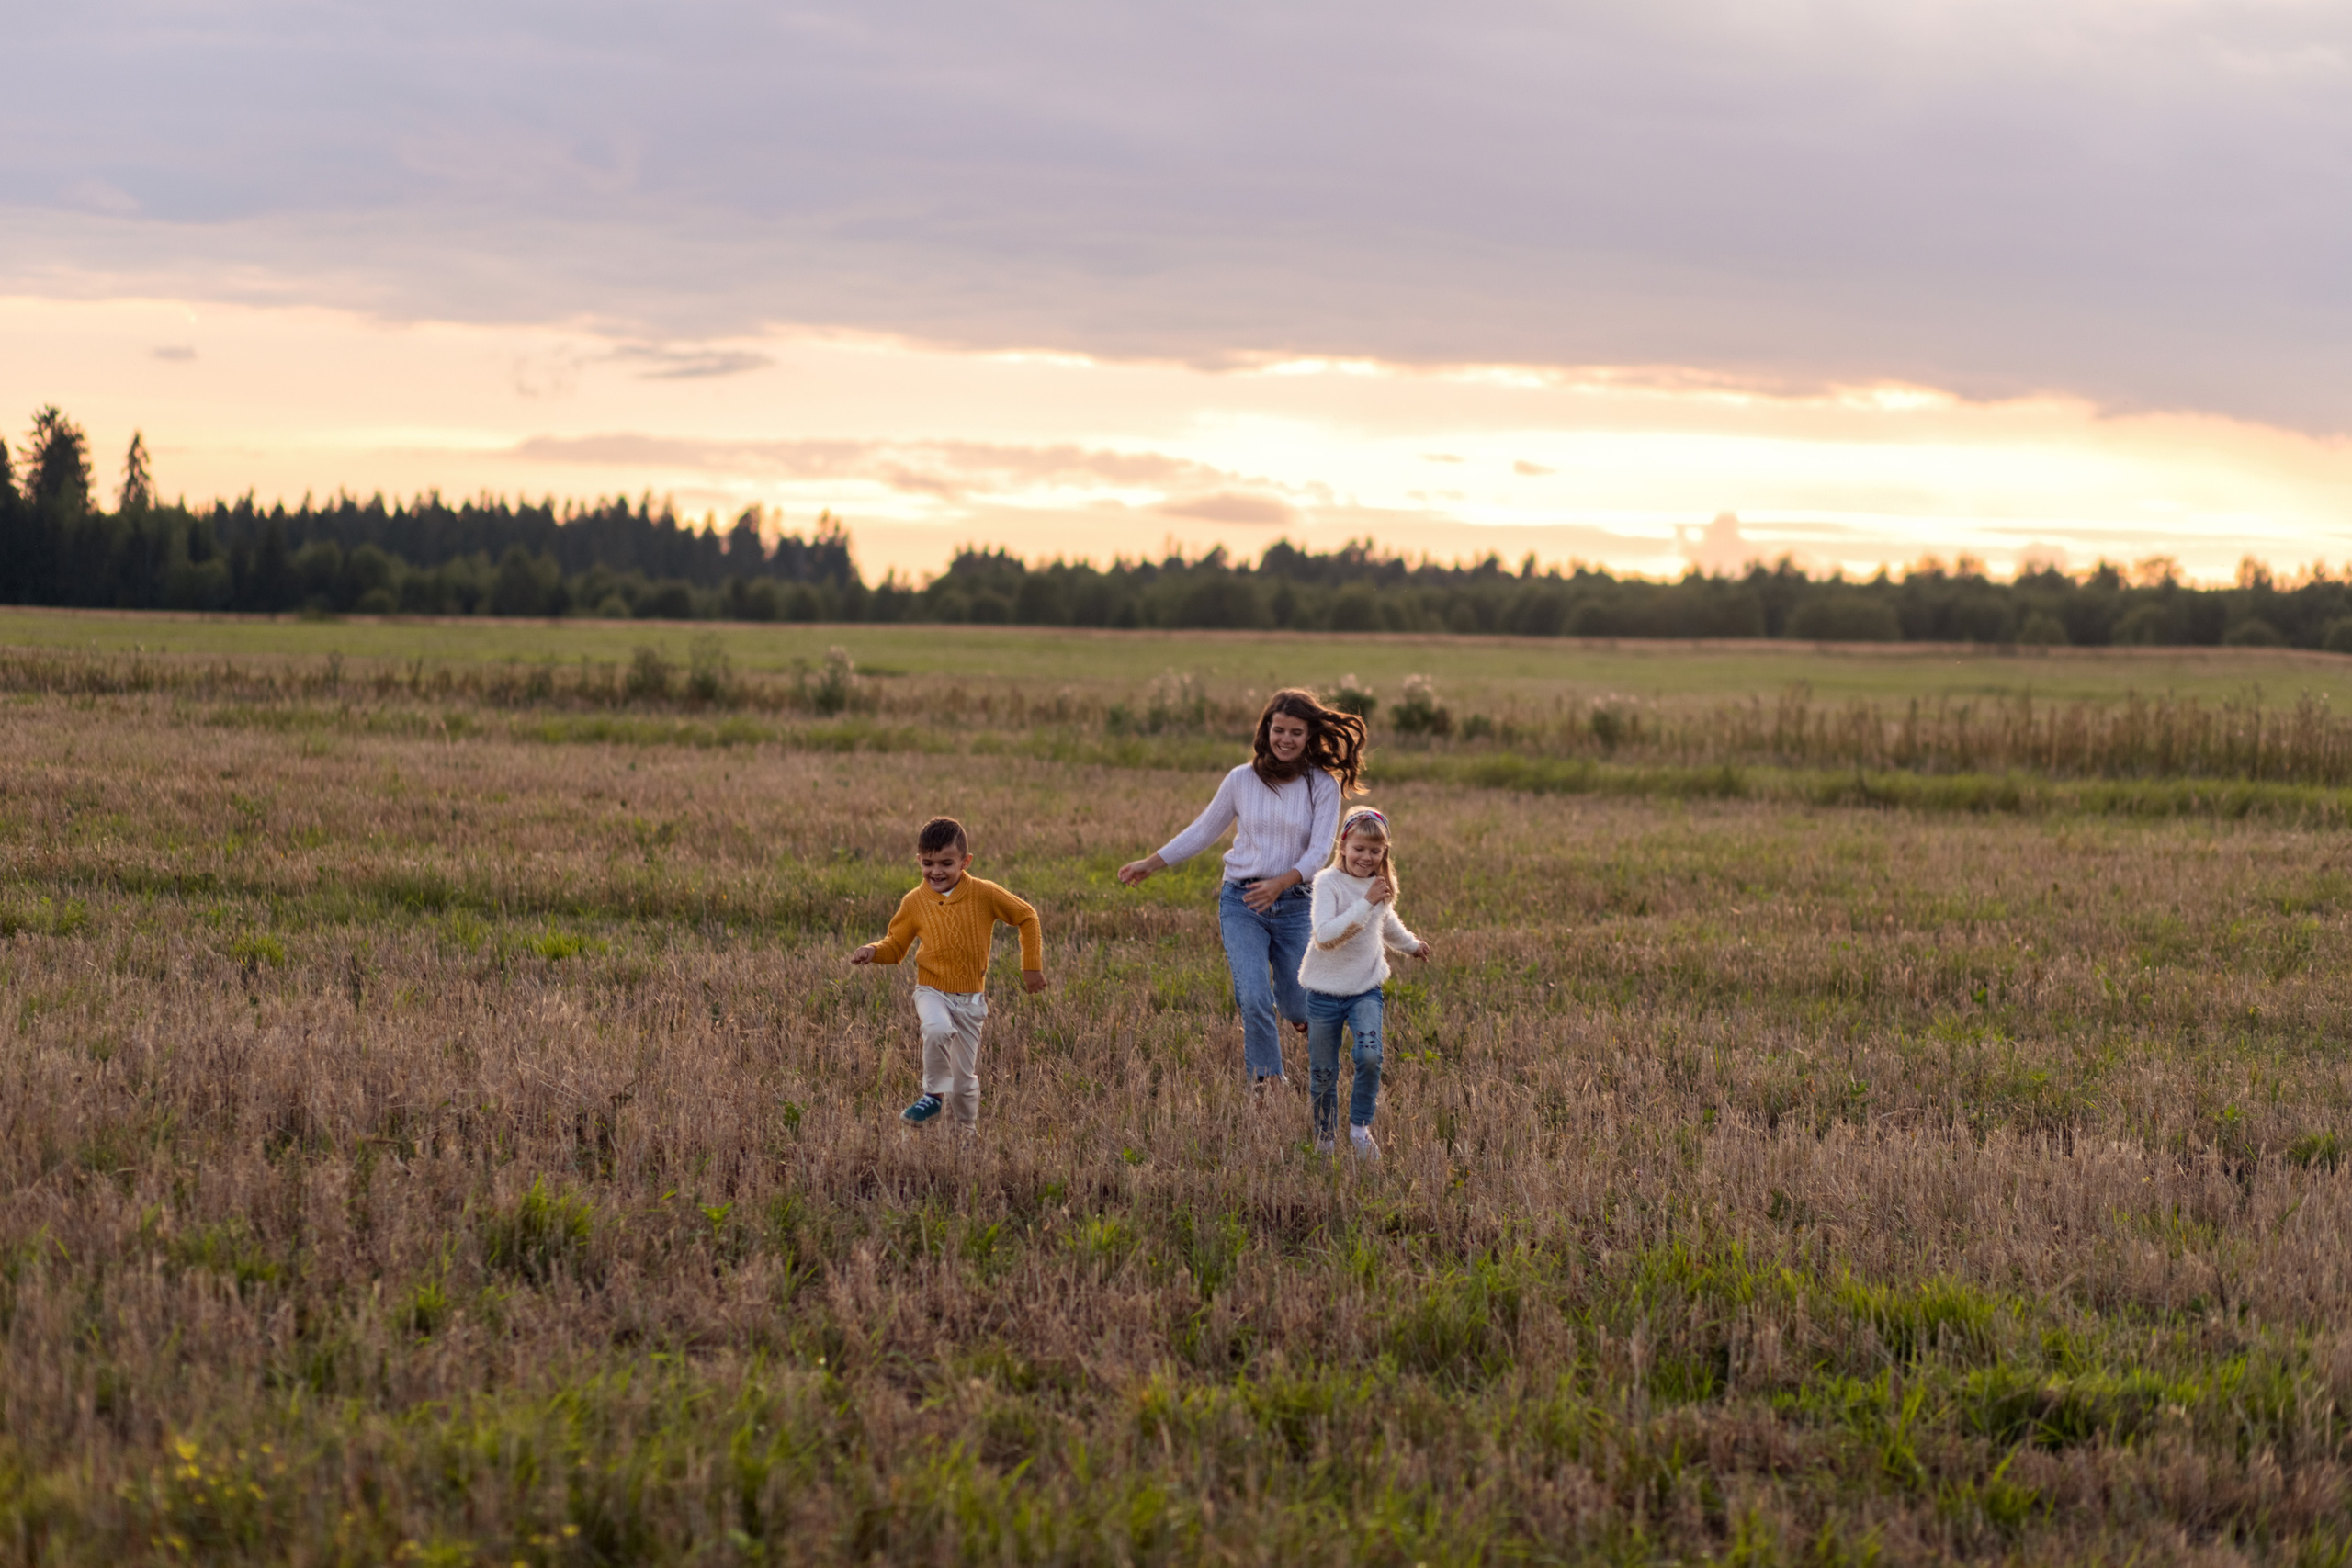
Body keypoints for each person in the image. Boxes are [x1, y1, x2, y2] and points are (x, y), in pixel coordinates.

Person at [1118, 688, 1367, 1090]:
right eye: (1278, 729)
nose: (1285, 739)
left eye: (1296, 732)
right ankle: (1267, 1080)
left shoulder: (1321, 785)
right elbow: (1203, 830)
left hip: (1295, 904)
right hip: (1241, 901)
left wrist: (1280, 884)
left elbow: (1320, 852)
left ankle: (1299, 1012)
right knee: (1253, 997)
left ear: (1309, 737)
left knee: (1297, 1000)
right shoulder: (1241, 780)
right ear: (1265, 730)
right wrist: (1152, 862)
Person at [851, 816, 1046, 1131]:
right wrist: (874, 951)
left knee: (964, 1079)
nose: (936, 871)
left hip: (971, 1000)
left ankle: (966, 1133)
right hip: (932, 990)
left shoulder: (985, 893)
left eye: (946, 863)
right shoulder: (914, 902)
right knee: (937, 1030)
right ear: (918, 860)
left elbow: (1027, 916)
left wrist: (1031, 966)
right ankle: (932, 1095)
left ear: (965, 862)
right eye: (928, 863)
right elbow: (896, 946)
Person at [1298, 806, 1430, 1158]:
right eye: (1359, 848)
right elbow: (1325, 936)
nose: (1366, 857)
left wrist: (1412, 945)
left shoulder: (1378, 886)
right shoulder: (1328, 882)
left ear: (1384, 851)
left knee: (1370, 1057)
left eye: (1375, 850)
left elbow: (1385, 924)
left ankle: (1359, 1129)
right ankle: (1325, 1138)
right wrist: (1365, 901)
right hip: (1324, 993)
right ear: (1343, 845)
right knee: (1324, 1072)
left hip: (1365, 990)